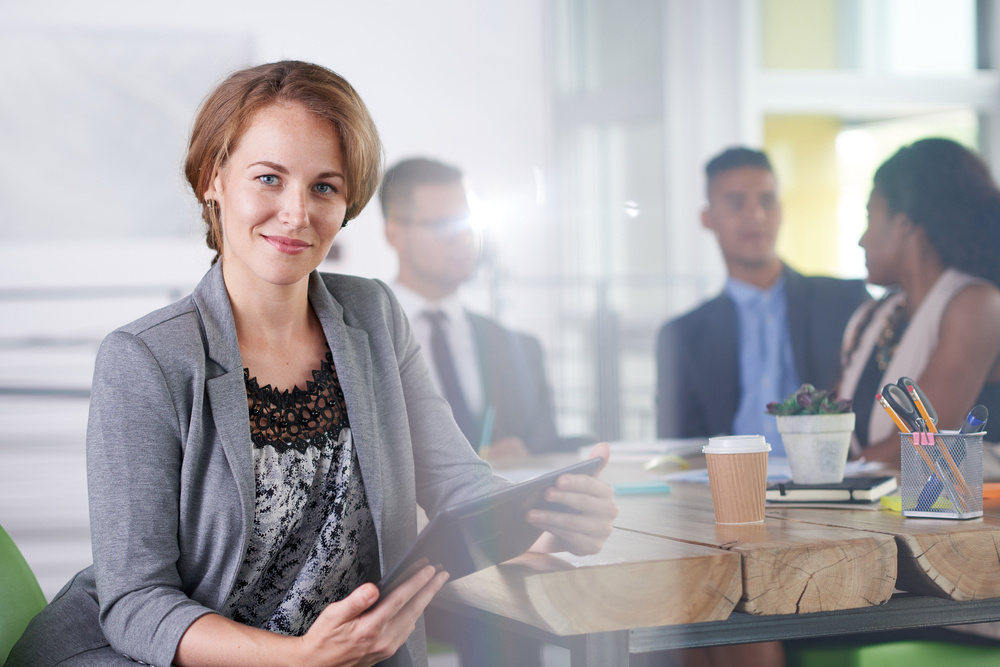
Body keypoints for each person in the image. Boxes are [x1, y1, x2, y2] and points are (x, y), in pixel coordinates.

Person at [7, 61, 618, 667]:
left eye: (324, 186)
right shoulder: (144, 360)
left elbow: (459, 486)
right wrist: (298, 658)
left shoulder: (374, 316)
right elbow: (135, 604)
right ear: (212, 180)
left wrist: (547, 521)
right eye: (269, 178)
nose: (297, 212)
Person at [656, 147, 870, 455]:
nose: (755, 215)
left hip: (833, 489)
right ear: (707, 218)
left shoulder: (845, 303)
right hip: (725, 492)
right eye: (736, 203)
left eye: (767, 201)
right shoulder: (681, 336)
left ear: (781, 210)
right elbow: (678, 451)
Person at [380, 157, 582, 460]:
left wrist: (526, 457)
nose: (464, 239)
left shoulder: (523, 350)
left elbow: (547, 450)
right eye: (444, 225)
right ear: (396, 234)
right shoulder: (357, 342)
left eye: (470, 222)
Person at [838, 137, 1000, 469]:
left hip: (956, 515)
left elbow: (924, 440)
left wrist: (831, 480)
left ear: (906, 222)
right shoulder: (873, 315)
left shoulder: (976, 304)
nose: (862, 239)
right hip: (871, 513)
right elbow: (830, 427)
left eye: (870, 217)